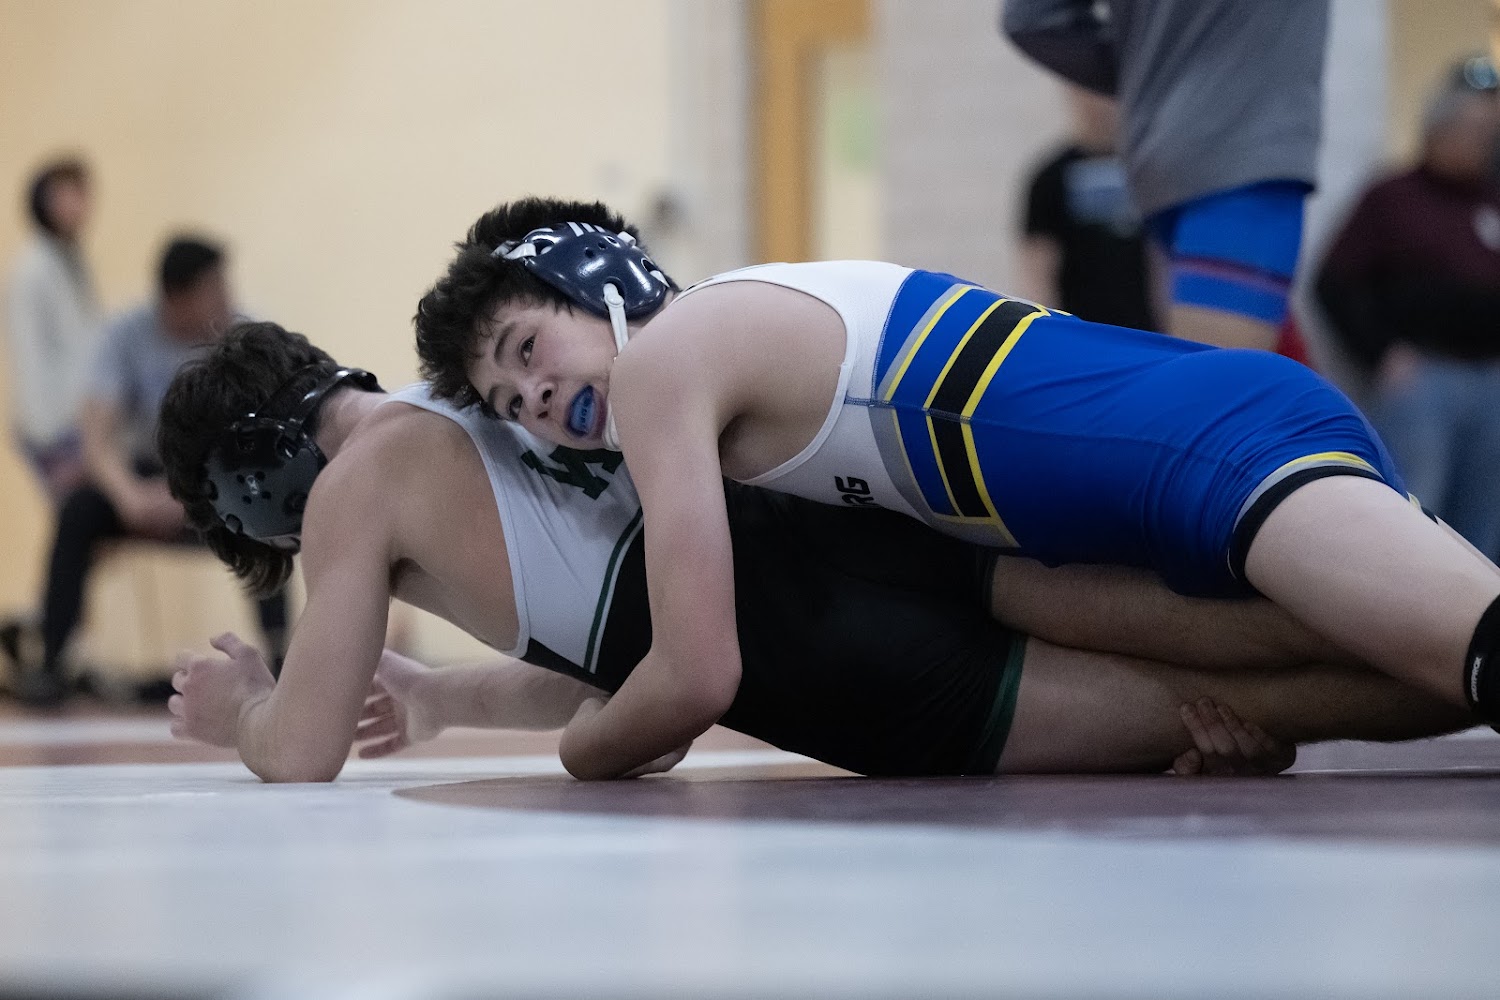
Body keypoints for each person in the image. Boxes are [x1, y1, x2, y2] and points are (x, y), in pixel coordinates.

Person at [413, 196, 1500, 780]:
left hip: (1210, 448)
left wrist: (582, 749)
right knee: (1438, 681)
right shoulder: (725, 370)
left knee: (1477, 650)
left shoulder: (667, 365)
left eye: (526, 347)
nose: (533, 396)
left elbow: (697, 671)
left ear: (596, 277)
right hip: (1195, 457)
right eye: (507, 401)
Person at [160, 323, 1469, 783]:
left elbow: (306, 748)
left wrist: (242, 714)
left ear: (253, 480)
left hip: (840, 664)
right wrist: (446, 699)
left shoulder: (357, 485)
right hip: (851, 529)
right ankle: (1467, 617)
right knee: (1221, 617)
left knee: (1232, 708)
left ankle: (1467, 673)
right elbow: (620, 633)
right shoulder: (458, 413)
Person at [5, 237, 288, 705]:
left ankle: (282, 657)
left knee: (270, 515)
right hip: (145, 477)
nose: (227, 298)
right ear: (177, 295)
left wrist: (192, 496)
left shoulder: (247, 338)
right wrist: (128, 495)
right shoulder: (125, 334)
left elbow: (265, 442)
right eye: (215, 288)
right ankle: (53, 660)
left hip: (222, 481)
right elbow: (96, 432)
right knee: (78, 511)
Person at [1002, 0, 1327, 351]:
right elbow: (1038, 272)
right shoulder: (1052, 177)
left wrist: (1153, 82)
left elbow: (1030, 19)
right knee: (1219, 379)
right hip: (1236, 155)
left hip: (1169, 164)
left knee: (1206, 368)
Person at [1316, 60, 1500, 561]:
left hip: (1491, 378)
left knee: (1486, 521)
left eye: (1490, 132)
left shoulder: (1491, 200)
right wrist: (1381, 352)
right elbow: (1333, 284)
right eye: (1473, 128)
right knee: (1415, 512)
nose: (1482, 142)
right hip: (1425, 377)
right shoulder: (1393, 197)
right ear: (1439, 127)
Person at [1017, 85, 1155, 330]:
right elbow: (1039, 267)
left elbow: (1165, 260)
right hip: (1081, 329)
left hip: (1144, 331)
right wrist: (1045, 330)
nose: (1100, 104)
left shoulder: (1149, 170)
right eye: (1090, 92)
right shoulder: (1050, 177)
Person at [4, 157, 101, 503]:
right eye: (67, 194)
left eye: (82, 193)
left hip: (78, 423)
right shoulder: (33, 270)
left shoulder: (69, 260)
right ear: (44, 201)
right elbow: (29, 358)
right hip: (55, 431)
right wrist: (50, 439)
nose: (80, 203)